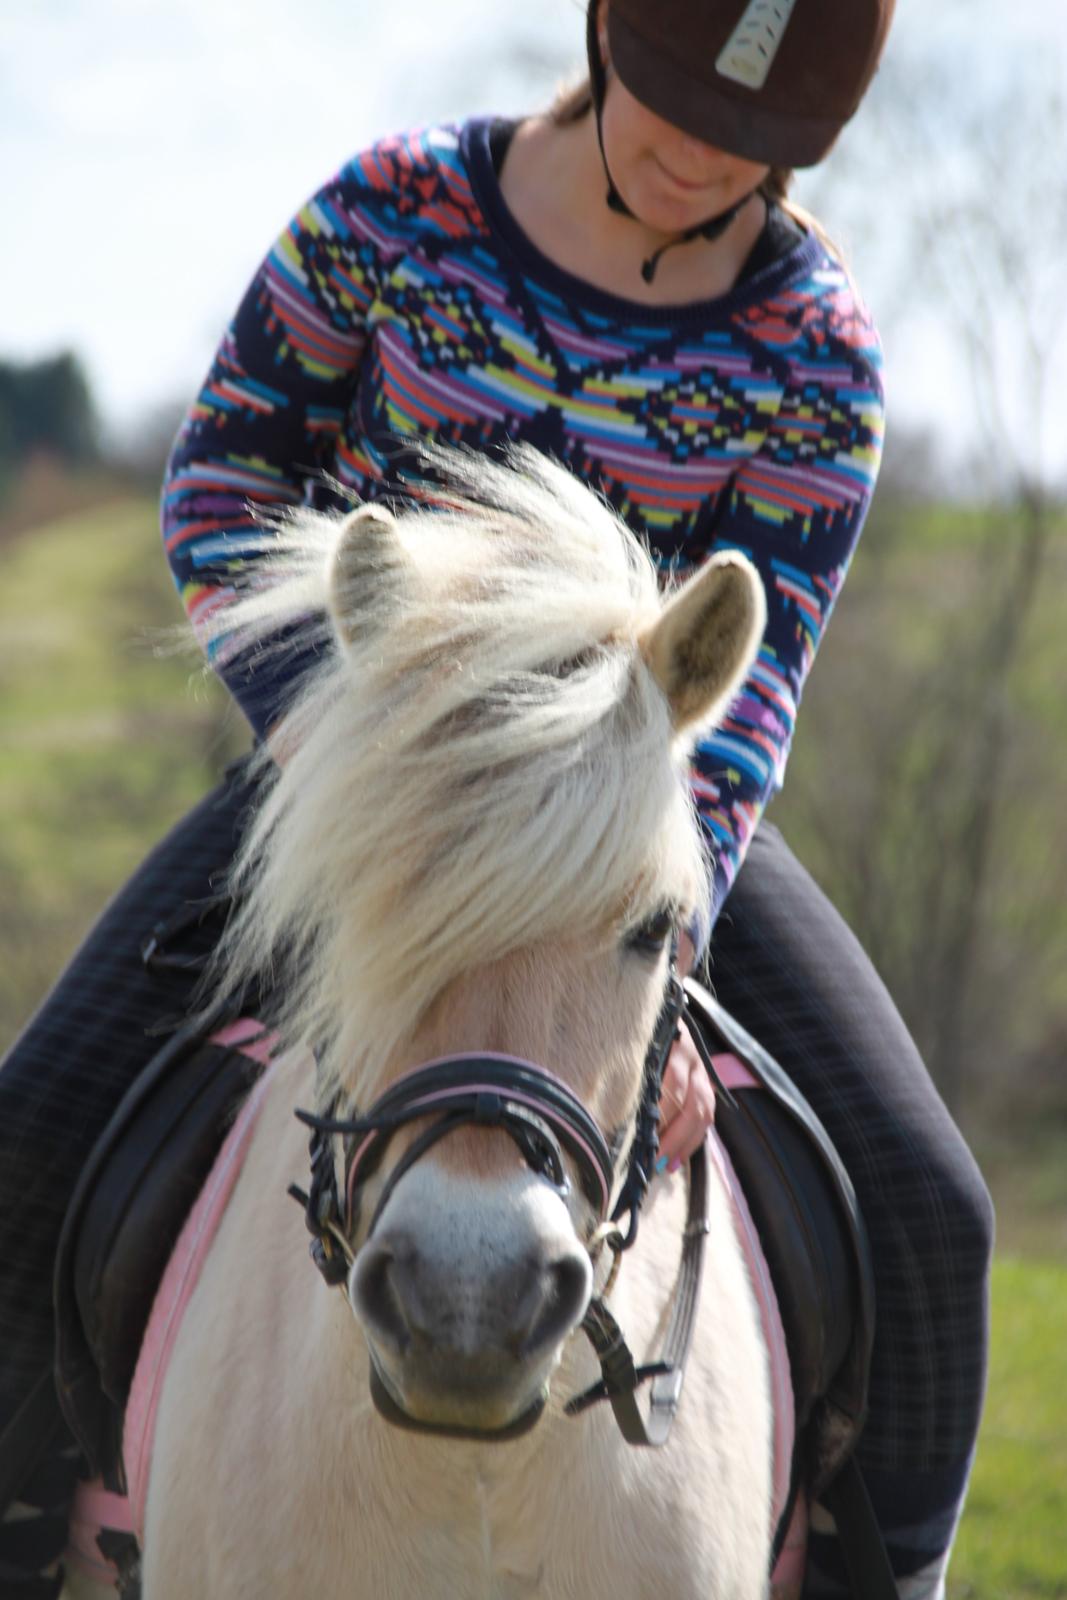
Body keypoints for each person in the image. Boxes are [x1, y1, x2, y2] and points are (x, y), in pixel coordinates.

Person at [0, 1, 993, 1595]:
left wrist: (666, 994)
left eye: (750, 138)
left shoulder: (816, 352)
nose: (694, 152)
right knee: (29, 1125)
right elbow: (220, 487)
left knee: (936, 1210)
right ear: (606, 37)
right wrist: (358, 754)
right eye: (670, 102)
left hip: (638, 832)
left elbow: (755, 687)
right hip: (366, 786)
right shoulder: (394, 213)